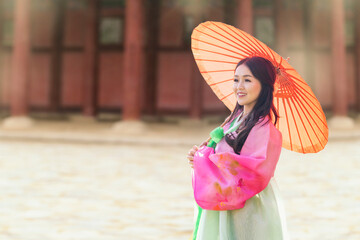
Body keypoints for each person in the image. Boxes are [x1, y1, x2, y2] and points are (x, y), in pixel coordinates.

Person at [187, 56, 288, 240]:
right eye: (236, 79)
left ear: (264, 85)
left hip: (248, 208)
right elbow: (220, 156)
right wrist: (200, 156)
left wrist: (208, 161)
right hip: (225, 202)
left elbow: (254, 172)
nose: (239, 86)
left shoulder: (265, 129)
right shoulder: (234, 121)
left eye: (247, 80)